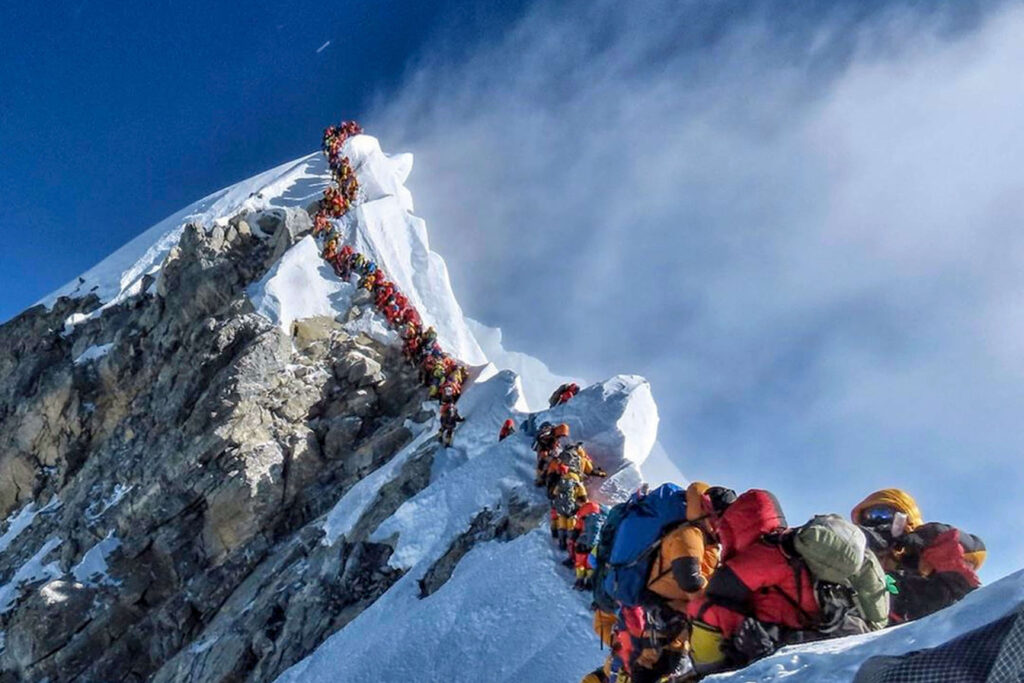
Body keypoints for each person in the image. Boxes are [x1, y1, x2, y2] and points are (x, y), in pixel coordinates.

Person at [852, 490, 985, 623]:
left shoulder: (923, 556)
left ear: (904, 518)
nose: (876, 520)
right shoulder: (856, 561)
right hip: (870, 634)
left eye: (883, 513)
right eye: (869, 516)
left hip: (935, 628)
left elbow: (976, 551)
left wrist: (933, 534)